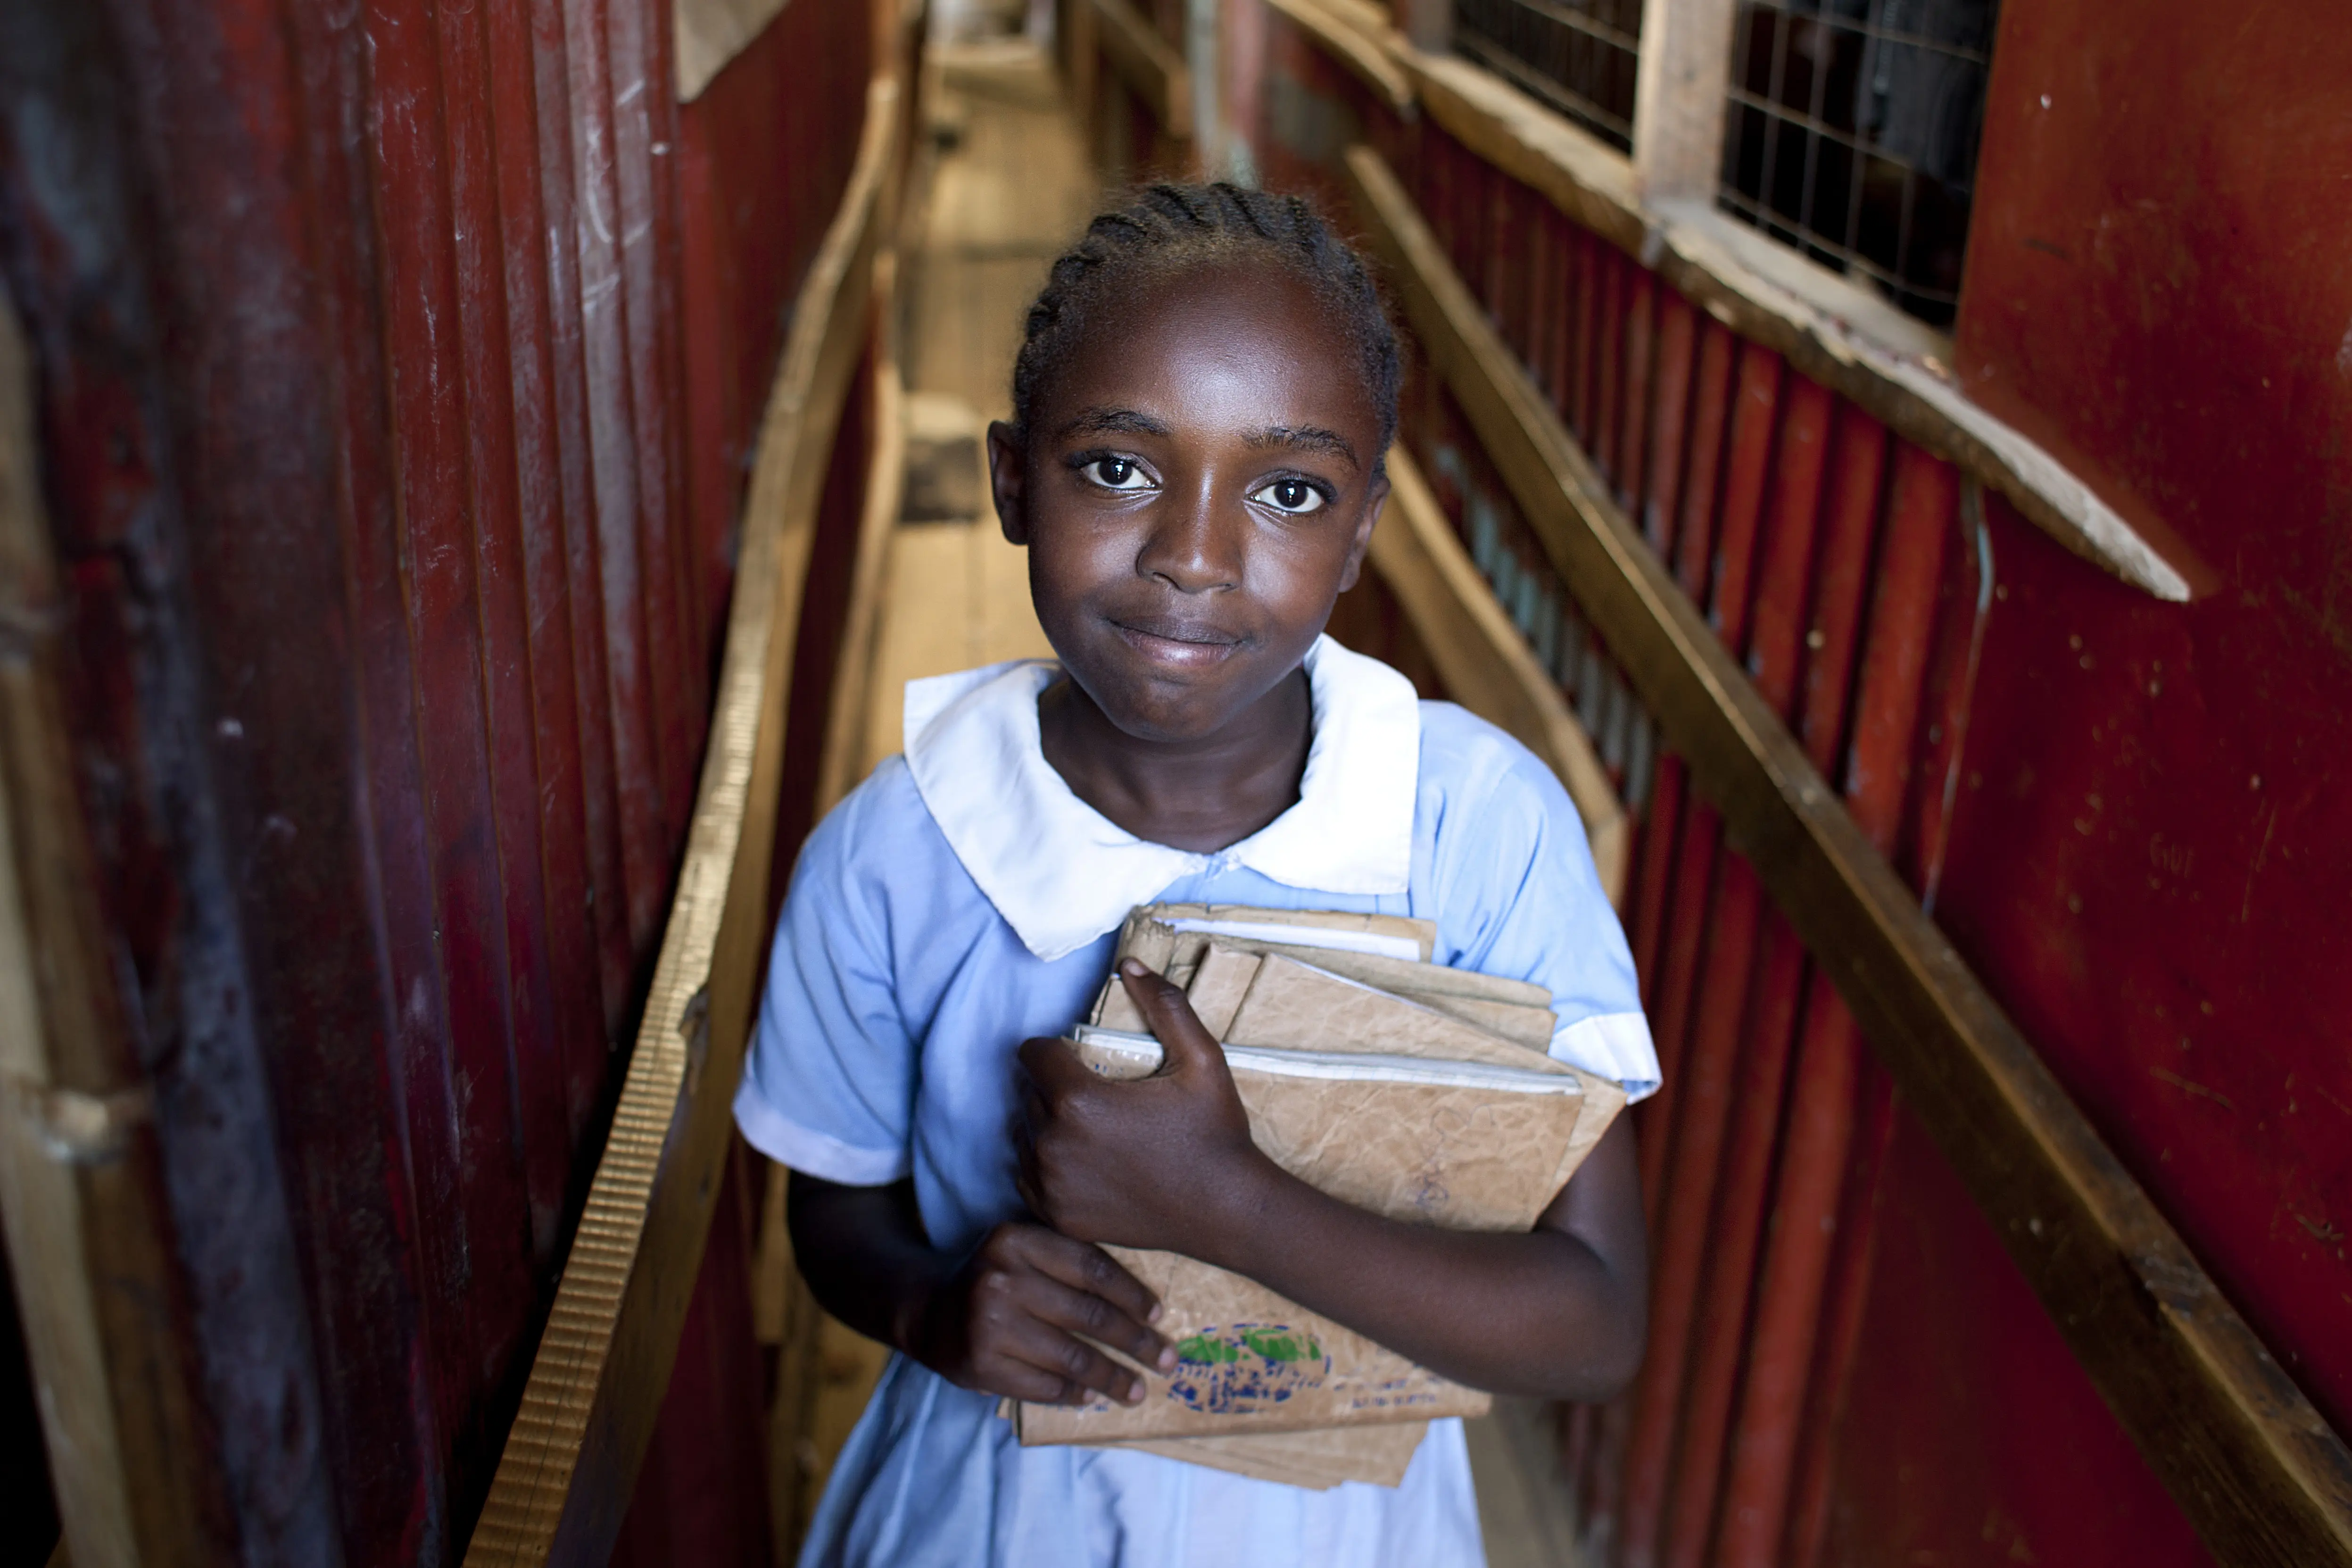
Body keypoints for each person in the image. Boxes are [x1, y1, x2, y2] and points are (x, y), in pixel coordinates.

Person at [734, 182, 1658, 1567]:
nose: (1193, 556)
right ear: (1007, 481)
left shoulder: (1472, 828)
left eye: (1288, 491)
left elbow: (1590, 1321)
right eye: (1117, 467)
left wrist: (1218, 1200)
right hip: (996, 1519)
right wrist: (934, 1307)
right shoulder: (894, 853)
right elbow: (834, 1205)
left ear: (1357, 534)